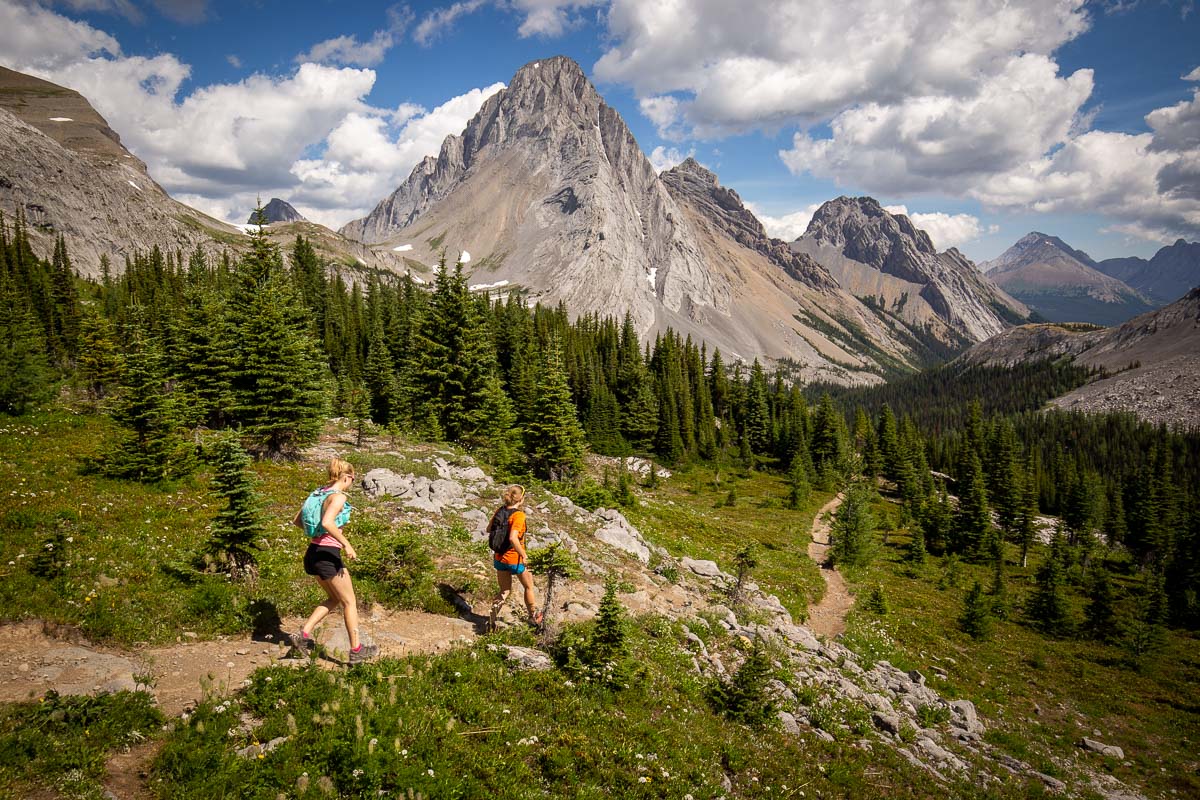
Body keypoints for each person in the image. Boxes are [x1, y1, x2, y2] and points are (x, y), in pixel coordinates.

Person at [290, 458, 378, 663]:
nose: (352, 483)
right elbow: (328, 522)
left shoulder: (317, 493)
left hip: (313, 552)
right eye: (353, 479)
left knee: (334, 599)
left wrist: (317, 535)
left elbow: (297, 521)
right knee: (350, 602)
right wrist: (346, 544)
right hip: (328, 555)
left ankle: (302, 635)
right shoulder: (337, 497)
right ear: (347, 477)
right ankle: (356, 650)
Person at [489, 484, 542, 630]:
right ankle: (534, 618)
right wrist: (524, 555)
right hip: (514, 559)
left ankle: (491, 620)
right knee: (528, 586)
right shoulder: (518, 515)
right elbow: (513, 538)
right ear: (521, 499)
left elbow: (489, 529)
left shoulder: (500, 510)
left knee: (504, 591)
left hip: (499, 558)